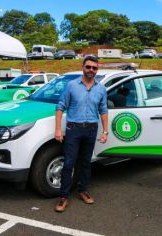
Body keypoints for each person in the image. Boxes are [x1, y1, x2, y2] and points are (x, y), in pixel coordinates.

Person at [54, 55, 108, 212]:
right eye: (88, 67)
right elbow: (60, 106)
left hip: (91, 129)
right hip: (74, 129)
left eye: (94, 68)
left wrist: (105, 131)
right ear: (83, 67)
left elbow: (103, 110)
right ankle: (63, 197)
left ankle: (83, 191)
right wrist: (58, 129)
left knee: (86, 162)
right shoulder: (71, 85)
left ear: (97, 69)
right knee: (69, 163)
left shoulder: (101, 88)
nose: (91, 70)